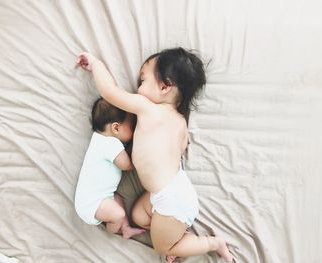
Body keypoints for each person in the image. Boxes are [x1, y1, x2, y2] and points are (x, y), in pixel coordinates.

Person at [76, 47, 233, 262]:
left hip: (172, 199)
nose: (138, 89)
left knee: (161, 246)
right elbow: (180, 149)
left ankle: (212, 243)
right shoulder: (180, 123)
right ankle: (174, 234)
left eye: (142, 81)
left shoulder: (148, 108)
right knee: (139, 217)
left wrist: (96, 64)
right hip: (166, 193)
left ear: (165, 86)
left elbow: (110, 92)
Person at [74, 97, 145, 239]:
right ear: (116, 128)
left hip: (93, 200)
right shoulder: (111, 144)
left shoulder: (98, 140)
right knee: (119, 214)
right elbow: (127, 165)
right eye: (132, 125)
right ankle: (113, 228)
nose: (134, 130)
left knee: (117, 199)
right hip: (92, 204)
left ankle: (125, 228)